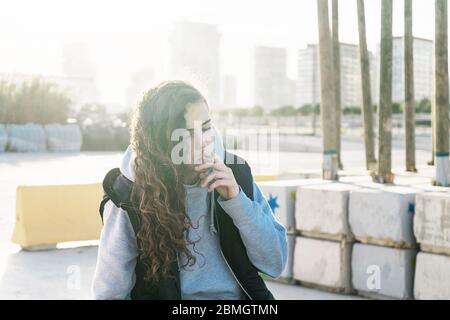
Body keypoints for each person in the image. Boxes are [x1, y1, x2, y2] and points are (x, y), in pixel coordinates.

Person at [91, 80, 287, 300]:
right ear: (161, 143)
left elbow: (275, 263)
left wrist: (237, 201)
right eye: (187, 134)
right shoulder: (128, 194)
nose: (203, 141)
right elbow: (110, 292)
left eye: (205, 127)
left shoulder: (235, 173)